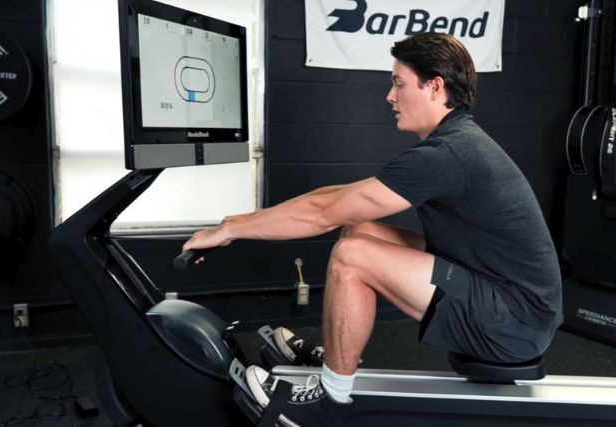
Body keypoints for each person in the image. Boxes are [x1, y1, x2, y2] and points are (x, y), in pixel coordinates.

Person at [184, 32, 562, 427]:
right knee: (360, 229)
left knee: (353, 257)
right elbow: (339, 199)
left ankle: (328, 402)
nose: (390, 96)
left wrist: (230, 231)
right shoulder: (456, 141)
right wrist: (235, 222)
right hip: (505, 300)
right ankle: (336, 358)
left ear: (434, 87)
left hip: (514, 324)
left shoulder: (446, 154)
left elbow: (321, 213)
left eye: (399, 84)